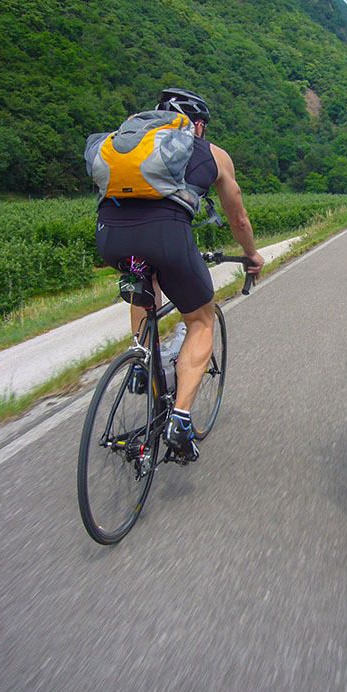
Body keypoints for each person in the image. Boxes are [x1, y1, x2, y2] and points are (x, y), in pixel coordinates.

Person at [92, 88, 264, 461]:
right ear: (197, 125)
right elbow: (238, 218)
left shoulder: (129, 145)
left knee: (145, 283)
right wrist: (251, 254)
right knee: (201, 320)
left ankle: (142, 362)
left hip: (109, 238)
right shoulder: (211, 153)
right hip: (165, 237)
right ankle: (181, 422)